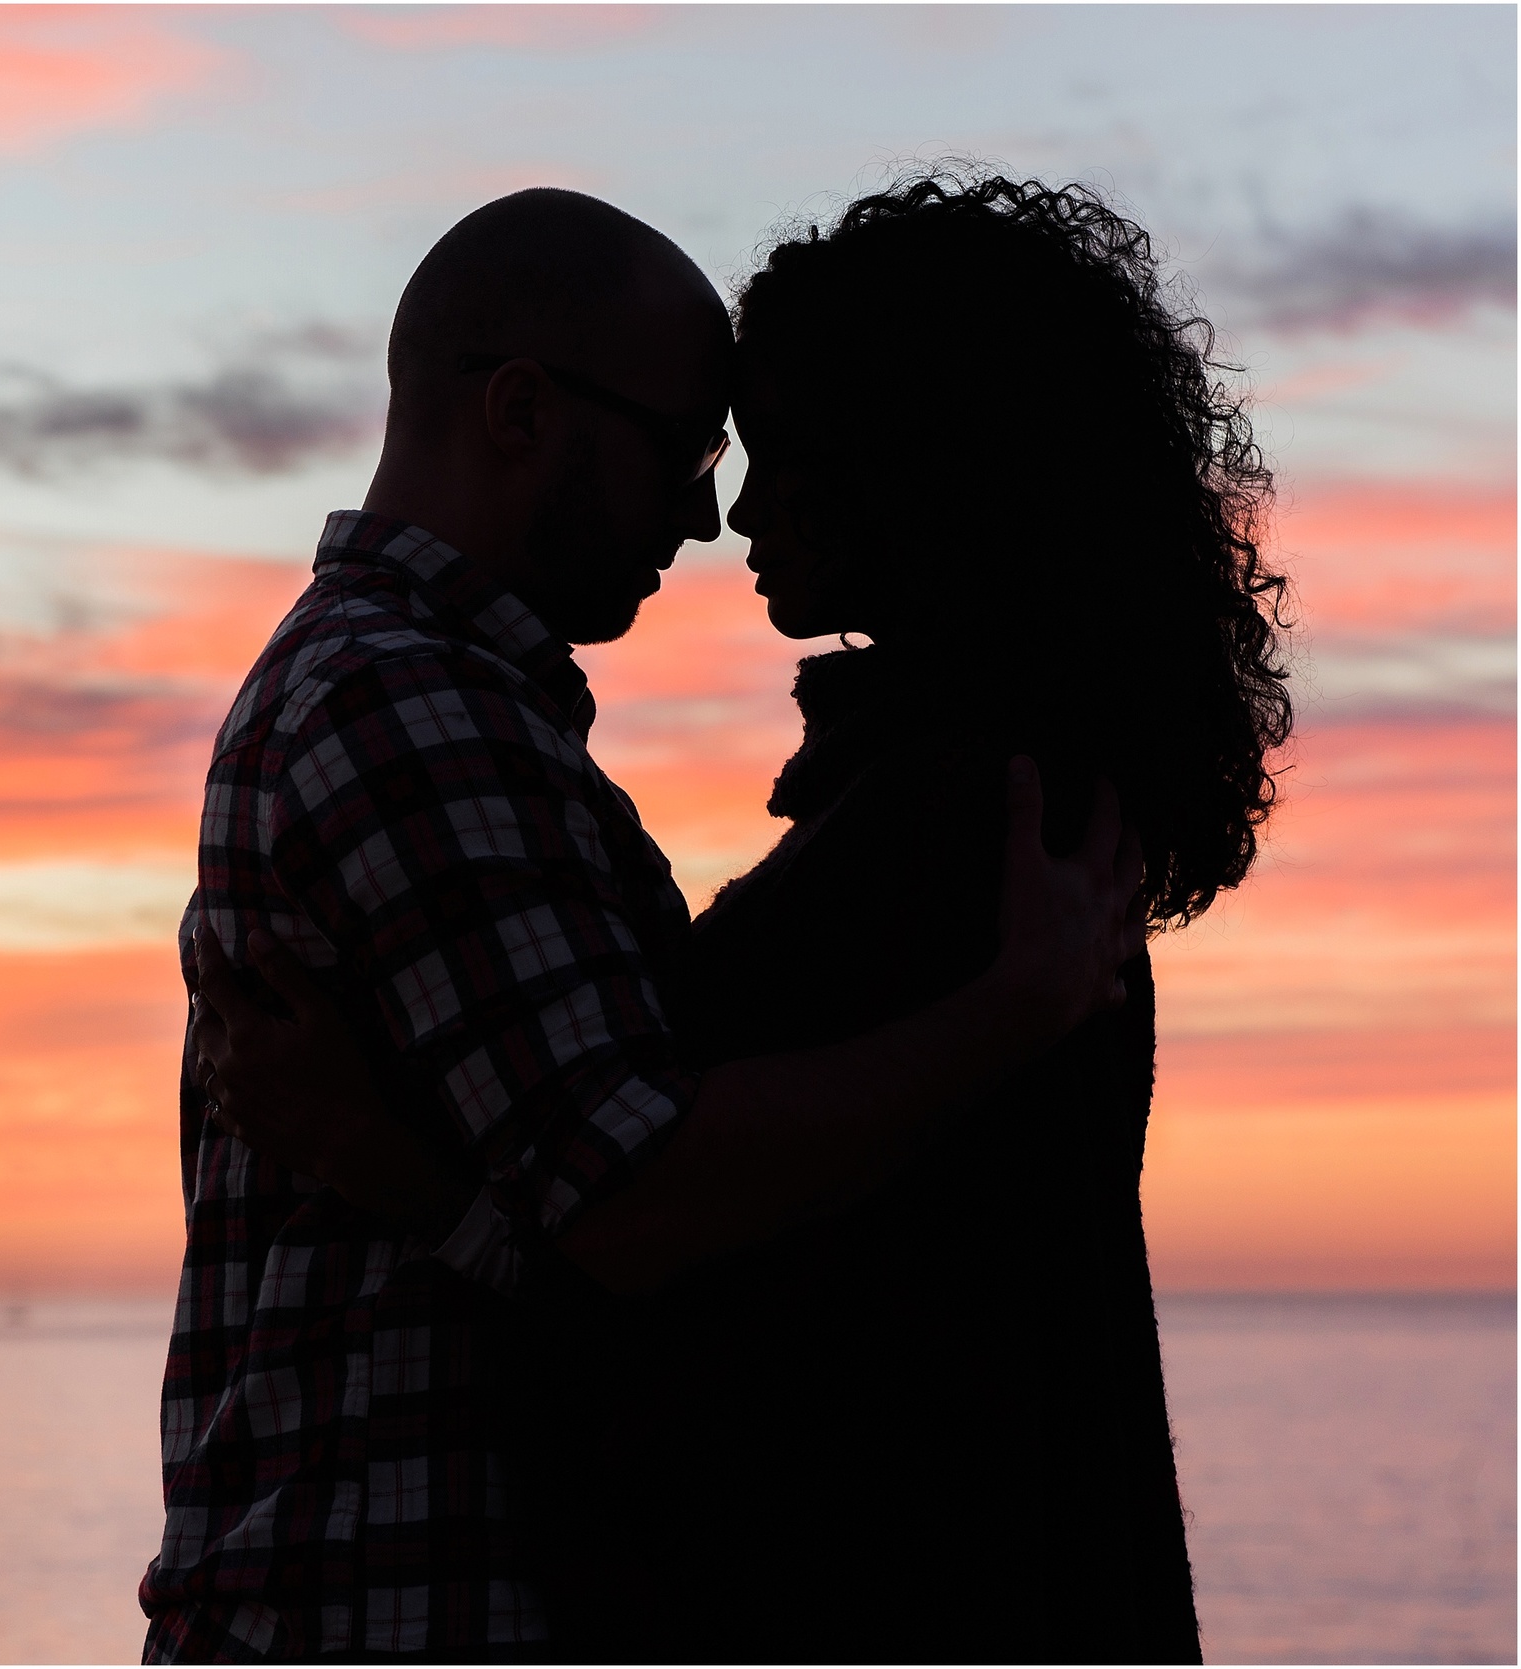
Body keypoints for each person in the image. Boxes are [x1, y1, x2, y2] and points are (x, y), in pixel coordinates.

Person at [186, 175, 1292, 1663]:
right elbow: (659, 1225)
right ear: (521, 409)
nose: (724, 514)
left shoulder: (966, 831)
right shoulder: (420, 704)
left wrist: (396, 1167)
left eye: (765, 451)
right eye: (697, 450)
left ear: (905, 465)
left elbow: (698, 1283)